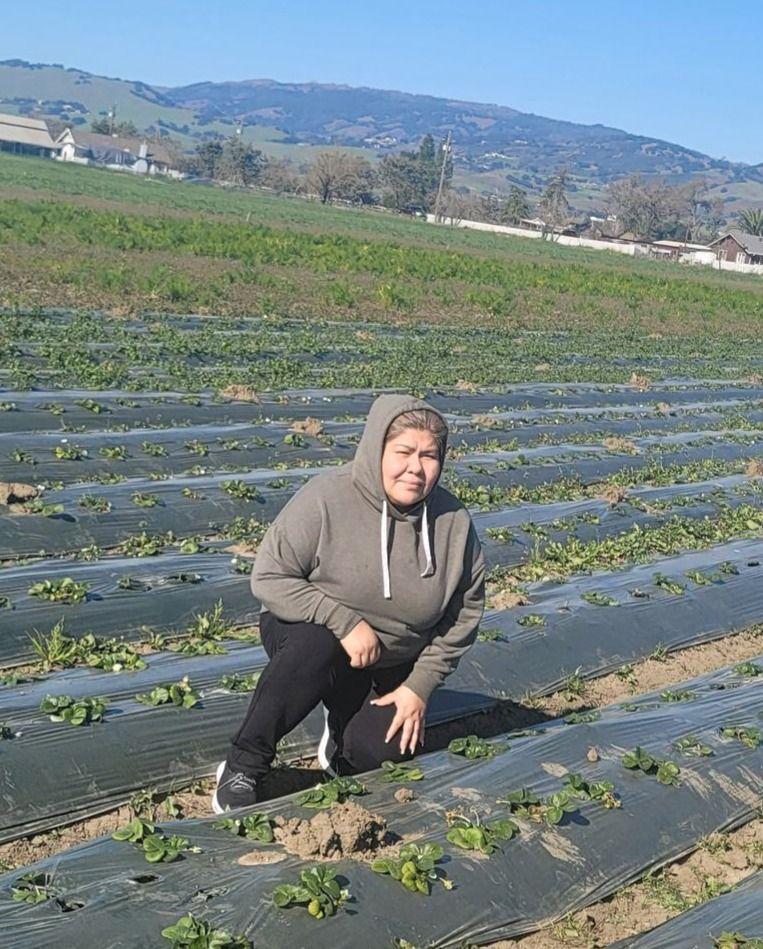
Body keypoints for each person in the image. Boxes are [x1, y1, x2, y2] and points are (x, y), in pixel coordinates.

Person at [212, 393, 485, 812]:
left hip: (390, 661)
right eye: (404, 452)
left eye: (429, 456)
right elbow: (268, 576)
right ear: (377, 448)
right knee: (315, 648)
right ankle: (245, 762)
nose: (416, 467)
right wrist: (342, 621)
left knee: (384, 754)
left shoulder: (453, 524)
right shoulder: (326, 498)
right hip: (312, 634)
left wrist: (419, 687)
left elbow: (463, 614)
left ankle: (341, 738)